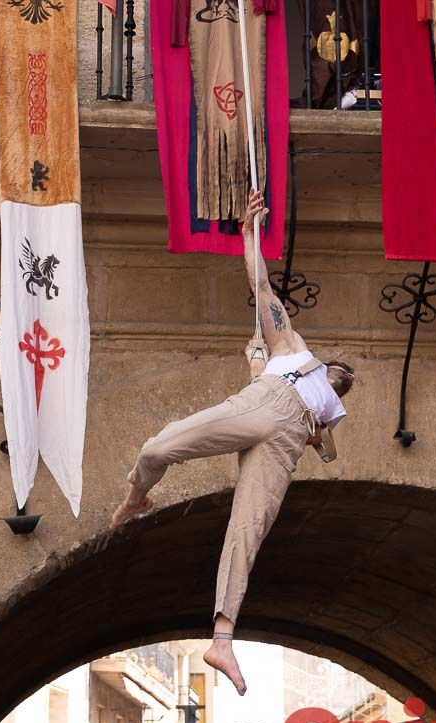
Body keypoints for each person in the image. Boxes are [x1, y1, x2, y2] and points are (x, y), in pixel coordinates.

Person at [110, 188, 356, 695]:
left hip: (287, 438)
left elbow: (324, 450)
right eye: (341, 370)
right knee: (161, 446)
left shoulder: (328, 415)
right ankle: (137, 494)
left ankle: (223, 638)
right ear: (326, 363)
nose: (344, 376)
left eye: (346, 380)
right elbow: (261, 284)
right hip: (265, 400)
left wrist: (268, 379)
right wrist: (249, 233)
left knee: (247, 530)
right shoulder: (293, 349)